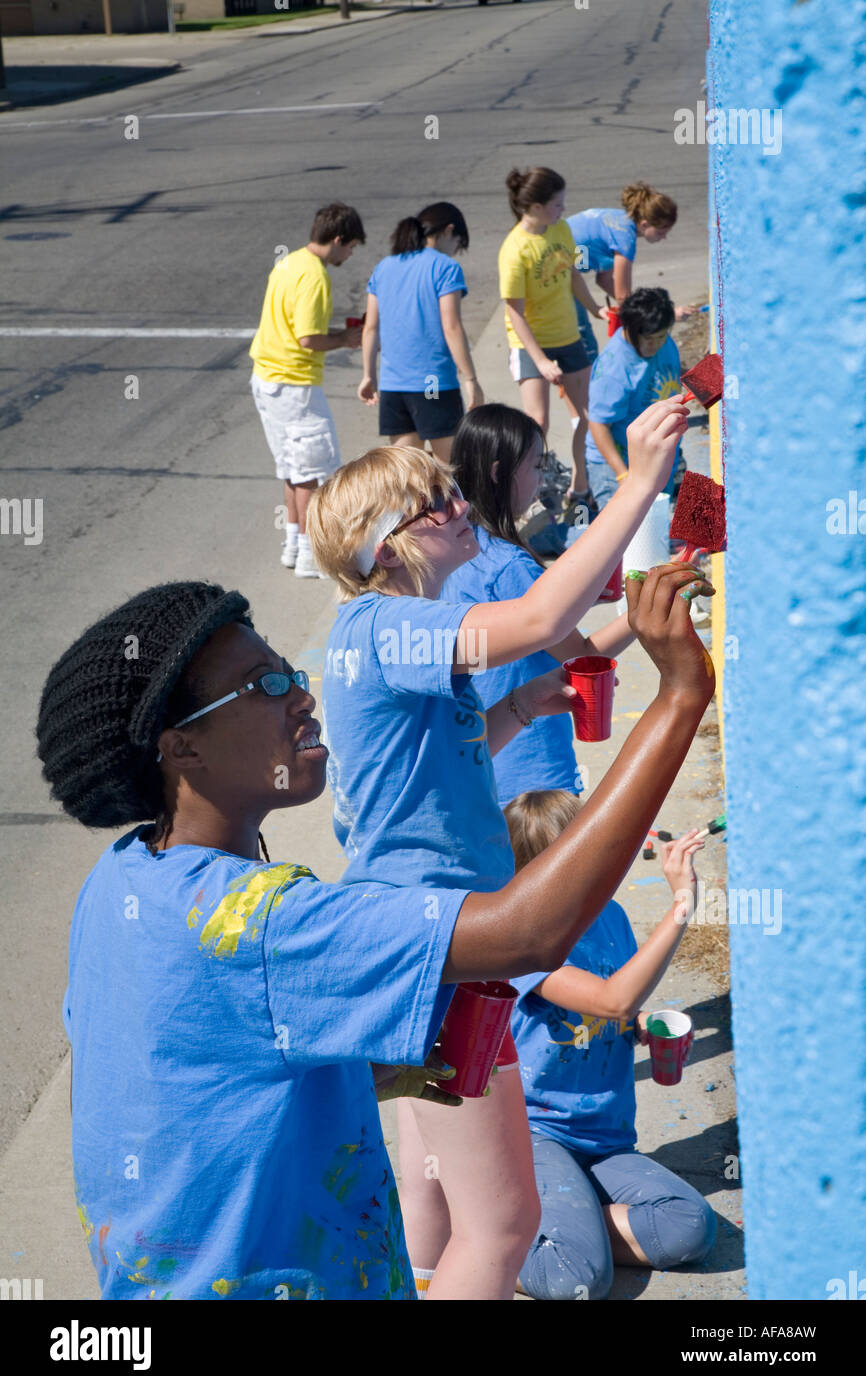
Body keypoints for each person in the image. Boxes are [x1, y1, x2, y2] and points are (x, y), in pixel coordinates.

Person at [36, 573, 715, 1300]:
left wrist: (363, 1077)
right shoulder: (264, 921)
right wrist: (678, 696)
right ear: (182, 749)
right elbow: (531, 931)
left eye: (293, 673)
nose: (302, 695)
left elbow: (162, 1087)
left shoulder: (121, 880)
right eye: (265, 685)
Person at [307, 398, 713, 1300]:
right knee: (501, 1226)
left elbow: (415, 774)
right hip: (442, 937)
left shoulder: (381, 638)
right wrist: (643, 481)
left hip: (411, 935)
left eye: (451, 492)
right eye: (434, 505)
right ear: (389, 547)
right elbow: (535, 621)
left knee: (430, 1196)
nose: (457, 507)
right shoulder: (387, 623)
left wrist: (520, 711)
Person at [503, 790, 717, 1300]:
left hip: (603, 1137)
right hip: (535, 1135)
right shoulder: (523, 939)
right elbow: (610, 998)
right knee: (576, 1279)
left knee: (693, 1226)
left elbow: (613, 1008)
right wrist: (681, 903)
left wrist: (639, 1022)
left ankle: (563, 1224)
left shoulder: (611, 918)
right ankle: (490, 1233)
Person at [441, 402, 636, 808]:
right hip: (532, 776)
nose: (543, 476)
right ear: (499, 473)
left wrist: (575, 599)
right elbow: (582, 658)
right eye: (536, 465)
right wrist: (643, 612)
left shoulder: (450, 556)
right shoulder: (510, 567)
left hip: (476, 763)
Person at [249, 202, 365, 577]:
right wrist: (346, 338)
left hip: (267, 380)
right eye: (351, 247)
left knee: (292, 469)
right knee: (315, 472)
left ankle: (294, 543)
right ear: (336, 240)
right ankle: (313, 557)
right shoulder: (315, 276)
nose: (350, 254)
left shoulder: (288, 262)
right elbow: (308, 339)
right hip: (294, 385)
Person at [498, 166, 607, 507]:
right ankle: (523, 491)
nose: (563, 208)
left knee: (588, 416)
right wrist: (541, 361)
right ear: (533, 207)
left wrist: (594, 309)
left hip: (566, 335)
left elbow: (573, 273)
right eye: (557, 203)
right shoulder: (515, 249)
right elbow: (515, 311)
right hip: (530, 342)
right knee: (538, 422)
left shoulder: (560, 229)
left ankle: (579, 484)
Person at [358, 202, 483, 464]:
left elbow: (371, 327)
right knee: (451, 473)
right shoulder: (445, 268)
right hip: (434, 384)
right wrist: (471, 378)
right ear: (449, 231)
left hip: (394, 388)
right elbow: (451, 327)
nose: (455, 251)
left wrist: (368, 375)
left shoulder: (384, 267)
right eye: (458, 243)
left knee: (407, 478)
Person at [567, 182, 695, 368]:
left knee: (583, 342)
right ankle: (587, 388)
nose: (663, 238)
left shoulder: (620, 222)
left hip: (567, 268)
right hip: (558, 273)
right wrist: (665, 315)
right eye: (660, 232)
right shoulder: (625, 238)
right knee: (583, 344)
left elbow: (603, 279)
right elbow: (622, 295)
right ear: (645, 224)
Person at [586, 286, 684, 516]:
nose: (654, 345)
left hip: (655, 457)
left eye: (660, 337)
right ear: (629, 329)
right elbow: (598, 425)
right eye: (647, 339)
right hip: (617, 464)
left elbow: (665, 371)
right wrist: (623, 476)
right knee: (622, 540)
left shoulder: (662, 340)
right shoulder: (614, 369)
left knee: (654, 529)